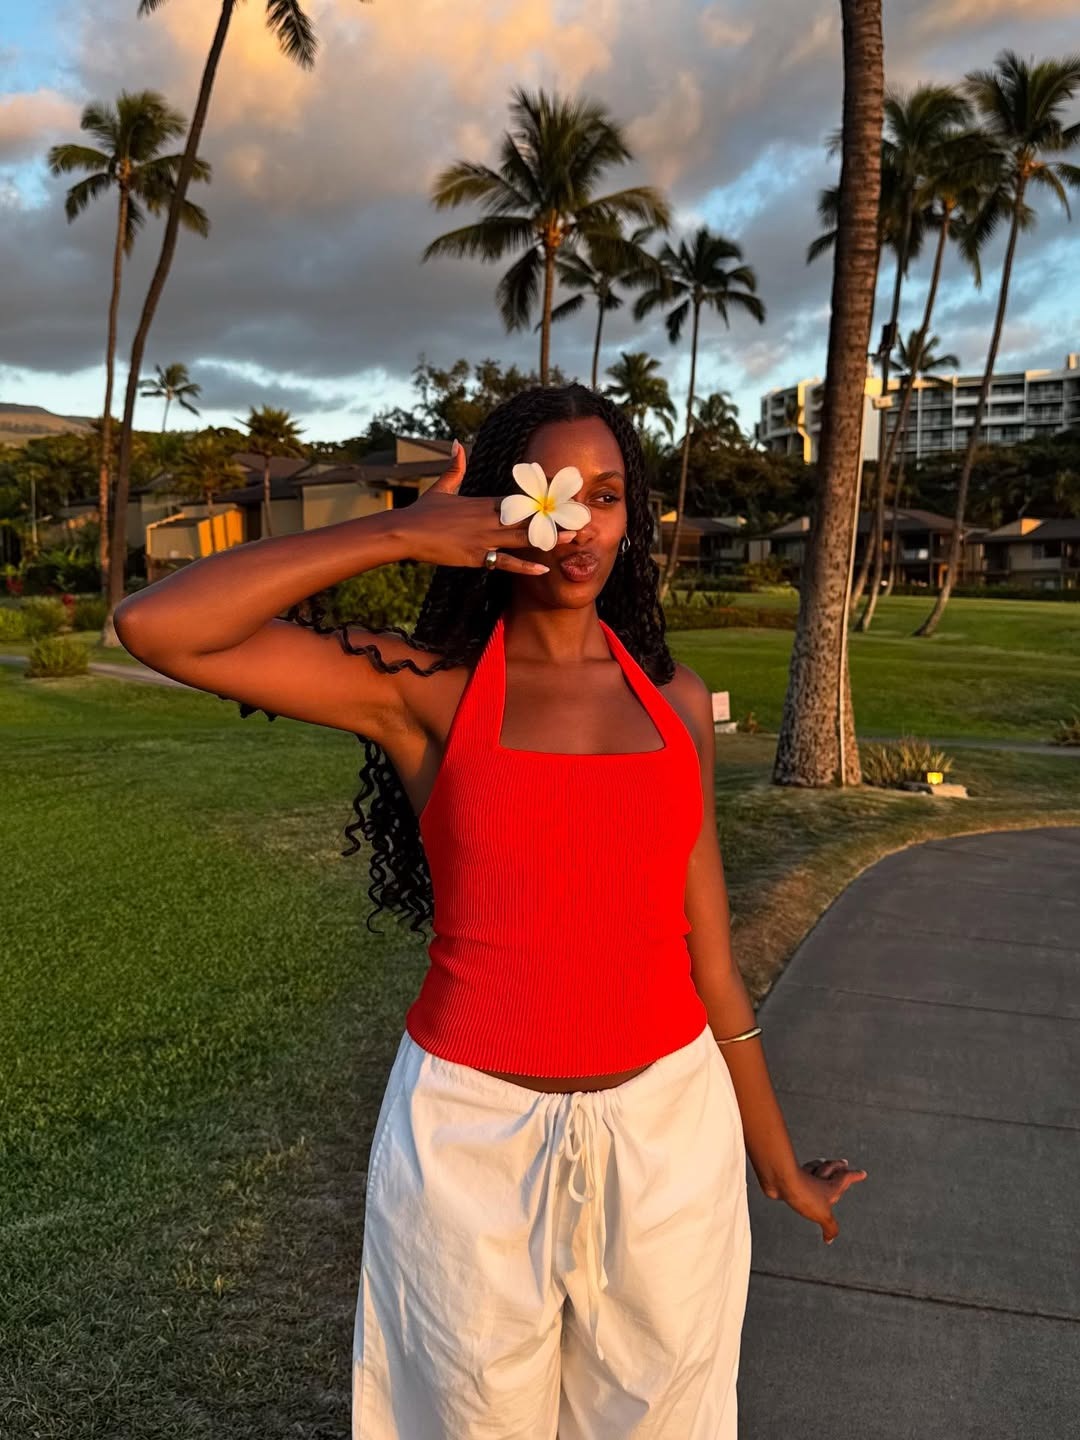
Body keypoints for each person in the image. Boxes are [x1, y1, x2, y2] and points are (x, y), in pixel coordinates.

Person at [114, 383, 867, 1438]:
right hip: (469, 1143)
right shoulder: (426, 693)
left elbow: (712, 962)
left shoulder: (677, 704)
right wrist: (404, 531)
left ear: (629, 517)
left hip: (668, 1135)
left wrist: (778, 1164)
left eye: (606, 494)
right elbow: (158, 625)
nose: (579, 521)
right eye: (549, 490)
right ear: (502, 509)